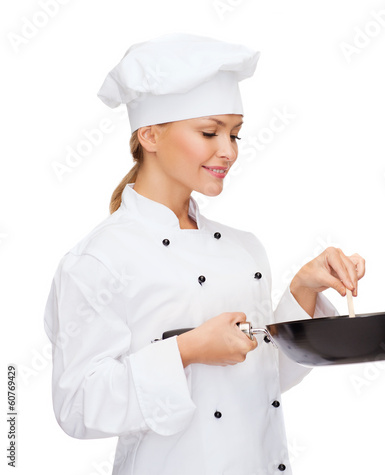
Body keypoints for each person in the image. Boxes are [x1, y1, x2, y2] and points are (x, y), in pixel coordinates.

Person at [43, 33, 365, 475]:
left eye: (235, 134)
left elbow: (263, 379)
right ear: (150, 135)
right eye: (210, 132)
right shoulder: (99, 260)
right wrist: (186, 351)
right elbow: (78, 405)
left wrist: (304, 287)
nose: (228, 151)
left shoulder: (243, 249)